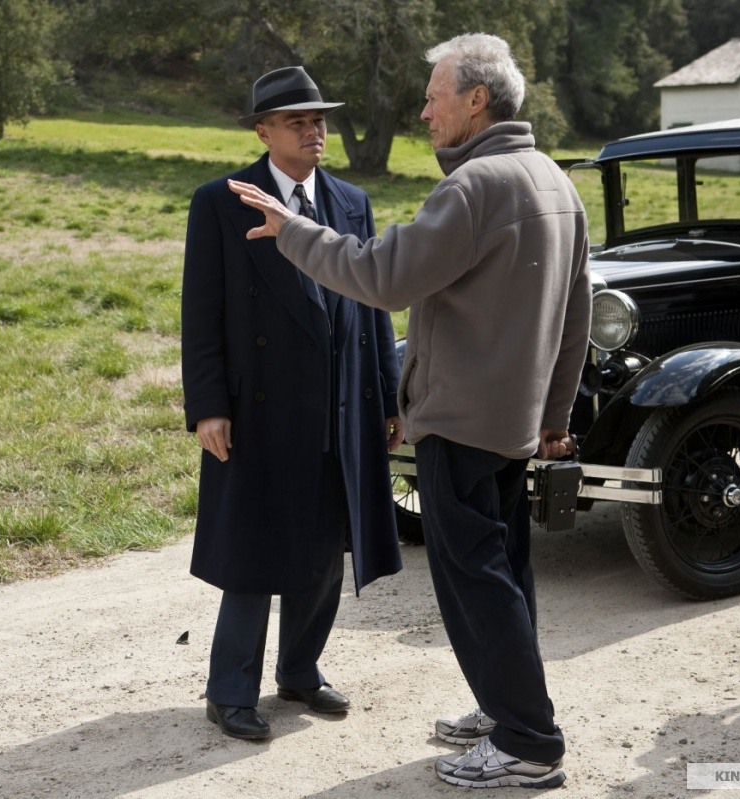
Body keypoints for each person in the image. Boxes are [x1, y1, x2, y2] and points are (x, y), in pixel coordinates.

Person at [228, 34, 590, 787]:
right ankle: (506, 707)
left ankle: (528, 740)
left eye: (433, 96)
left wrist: (292, 232)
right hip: (514, 422)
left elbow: (382, 277)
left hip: (461, 421)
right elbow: (577, 313)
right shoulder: (553, 179)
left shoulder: (475, 187)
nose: (423, 112)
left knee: (475, 582)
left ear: (476, 100)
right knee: (506, 571)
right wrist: (553, 416)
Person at [181, 66, 405, 741]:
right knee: (252, 549)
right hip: (258, 406)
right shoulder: (220, 202)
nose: (314, 131)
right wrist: (208, 406)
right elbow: (202, 313)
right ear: (263, 131)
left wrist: (387, 394)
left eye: (319, 120)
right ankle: (229, 691)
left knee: (324, 546)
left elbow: (372, 303)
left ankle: (300, 671)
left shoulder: (351, 202)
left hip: (341, 402)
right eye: (297, 121)